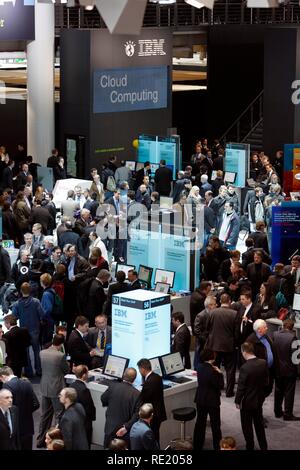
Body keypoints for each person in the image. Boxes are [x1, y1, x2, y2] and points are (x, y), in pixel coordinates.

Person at [36, 334, 69, 448]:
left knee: (45, 415)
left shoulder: (42, 352)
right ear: (61, 344)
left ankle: (41, 440)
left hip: (44, 387)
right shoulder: (60, 355)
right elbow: (66, 370)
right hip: (56, 388)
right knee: (59, 415)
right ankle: (55, 442)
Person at [235, 342, 268, 451]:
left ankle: (250, 446)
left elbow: (241, 388)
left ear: (244, 352)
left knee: (247, 427)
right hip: (259, 400)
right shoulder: (263, 363)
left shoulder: (245, 368)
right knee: (259, 425)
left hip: (247, 402)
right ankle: (264, 446)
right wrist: (263, 396)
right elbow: (266, 382)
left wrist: (237, 401)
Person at [206, 294, 240, 397]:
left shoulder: (212, 313)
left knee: (215, 367)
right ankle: (229, 392)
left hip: (215, 346)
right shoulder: (235, 314)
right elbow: (237, 333)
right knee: (230, 370)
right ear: (229, 301)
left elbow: (208, 328)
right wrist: (236, 344)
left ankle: (216, 388)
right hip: (229, 346)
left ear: (220, 301)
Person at [0, 366, 40, 450]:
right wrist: (26, 412)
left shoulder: (6, 385)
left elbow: (7, 408)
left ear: (3, 376)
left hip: (15, 430)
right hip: (28, 427)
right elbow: (36, 404)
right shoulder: (27, 383)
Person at [12, 282, 45, 377]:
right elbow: (42, 314)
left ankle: (29, 372)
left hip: (23, 331)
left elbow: (14, 317)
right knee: (36, 351)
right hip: (35, 329)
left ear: (21, 291)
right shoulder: (36, 301)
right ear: (30, 290)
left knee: (25, 353)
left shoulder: (17, 304)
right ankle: (39, 371)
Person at [102, 367, 140, 448]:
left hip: (110, 427)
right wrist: (126, 427)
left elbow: (103, 398)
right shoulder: (137, 394)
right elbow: (137, 414)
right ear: (134, 379)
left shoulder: (113, 387)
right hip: (124, 431)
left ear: (123, 375)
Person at [193, 349, 224, 450]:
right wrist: (220, 373)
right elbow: (220, 385)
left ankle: (197, 445)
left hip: (200, 399)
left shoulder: (199, 367)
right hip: (212, 401)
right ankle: (217, 447)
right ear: (212, 358)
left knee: (200, 424)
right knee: (215, 425)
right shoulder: (213, 371)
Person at [273, 319, 300, 421]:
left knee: (278, 390)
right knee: (289, 393)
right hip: (289, 371)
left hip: (277, 369)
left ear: (283, 325)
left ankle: (277, 411)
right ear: (292, 327)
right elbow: (296, 359)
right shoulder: (294, 338)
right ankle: (288, 414)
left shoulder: (275, 334)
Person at [135, 358, 166, 445]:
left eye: (139, 369)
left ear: (142, 369)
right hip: (159, 412)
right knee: (156, 436)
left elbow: (143, 398)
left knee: (153, 439)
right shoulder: (157, 377)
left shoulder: (148, 382)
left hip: (152, 415)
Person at [246, 319, 275, 399]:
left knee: (267, 391)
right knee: (259, 395)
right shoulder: (251, 341)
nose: (267, 328)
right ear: (259, 329)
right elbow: (247, 359)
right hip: (259, 374)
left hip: (269, 372)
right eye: (265, 327)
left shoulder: (267, 337)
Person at [72, 365, 96, 447]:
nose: (88, 374)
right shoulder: (84, 390)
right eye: (87, 372)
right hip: (84, 423)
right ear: (84, 375)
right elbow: (89, 407)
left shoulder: (72, 385)